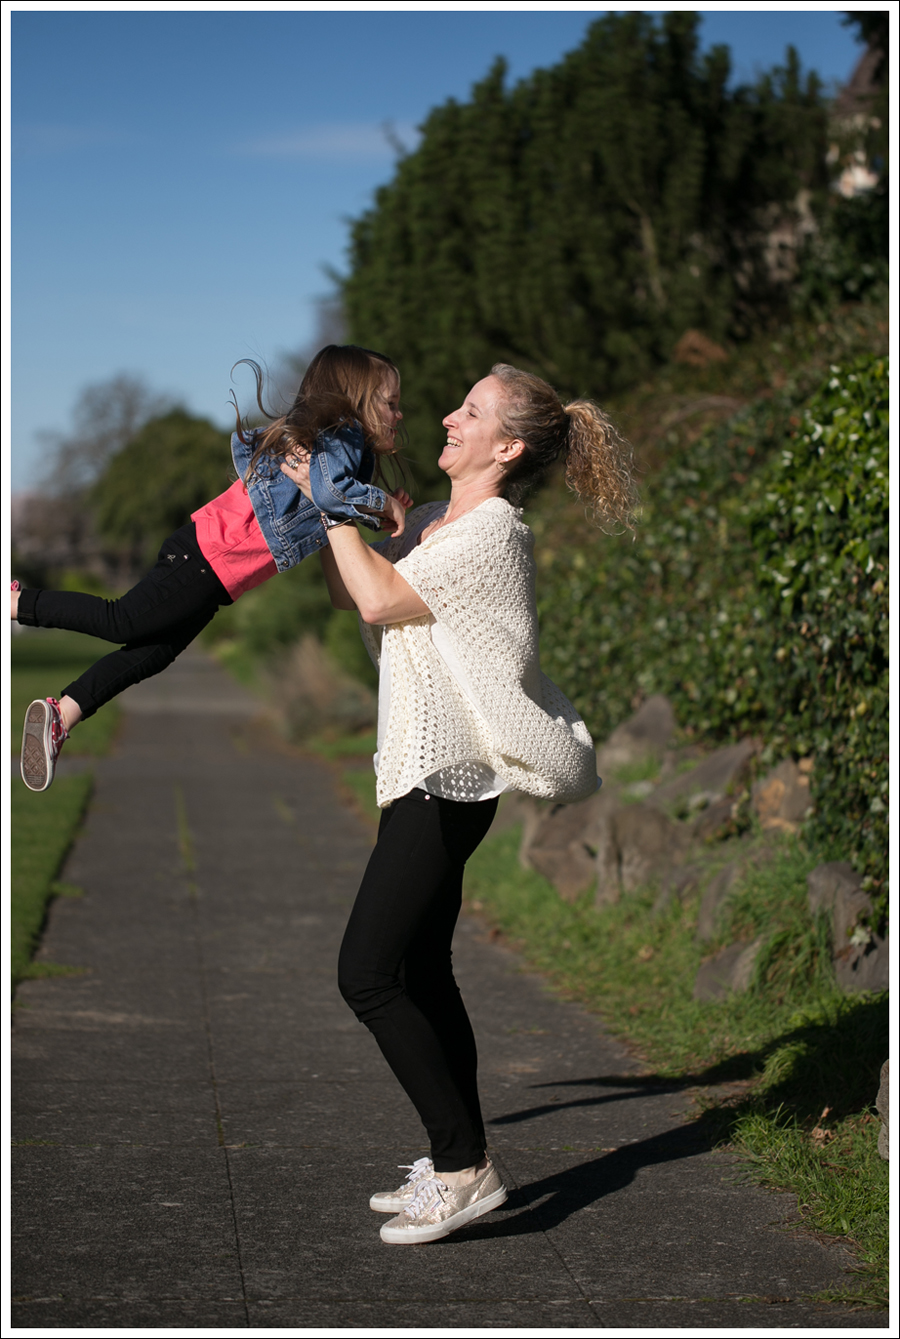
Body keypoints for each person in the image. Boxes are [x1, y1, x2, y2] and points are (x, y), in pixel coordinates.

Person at [281, 361, 637, 1245]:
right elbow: (357, 598)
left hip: (447, 782)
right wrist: (343, 514)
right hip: (424, 776)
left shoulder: (490, 535)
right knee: (426, 973)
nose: (447, 416)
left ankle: (463, 1169)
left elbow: (375, 591)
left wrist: (334, 511)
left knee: (365, 972)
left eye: (469, 411)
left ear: (506, 446)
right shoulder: (449, 525)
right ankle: (460, 1159)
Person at [13, 345, 411, 792]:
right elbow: (331, 492)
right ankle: (16, 603)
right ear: (355, 399)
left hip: (218, 574)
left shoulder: (349, 453)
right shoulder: (344, 434)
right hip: (206, 556)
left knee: (154, 652)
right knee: (122, 620)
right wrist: (385, 504)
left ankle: (60, 715)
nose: (398, 414)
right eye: (390, 402)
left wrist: (374, 513)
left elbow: (327, 505)